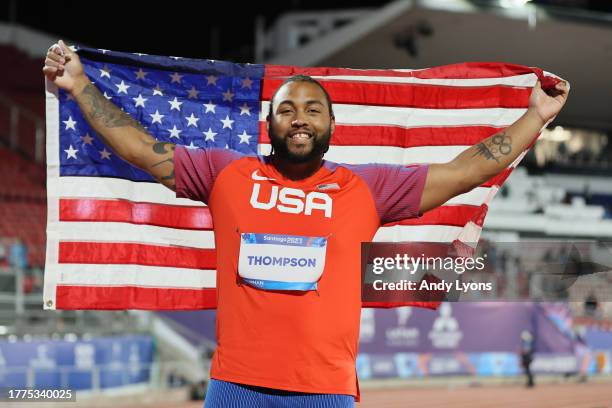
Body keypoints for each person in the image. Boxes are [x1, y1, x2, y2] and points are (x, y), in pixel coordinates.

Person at [43, 40, 568, 407]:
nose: (300, 117)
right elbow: (137, 146)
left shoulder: (369, 187)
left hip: (325, 391)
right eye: (287, 108)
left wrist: (536, 116)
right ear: (268, 123)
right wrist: (80, 83)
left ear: (331, 125)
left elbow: (464, 170)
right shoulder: (225, 174)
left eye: (313, 109)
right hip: (236, 389)